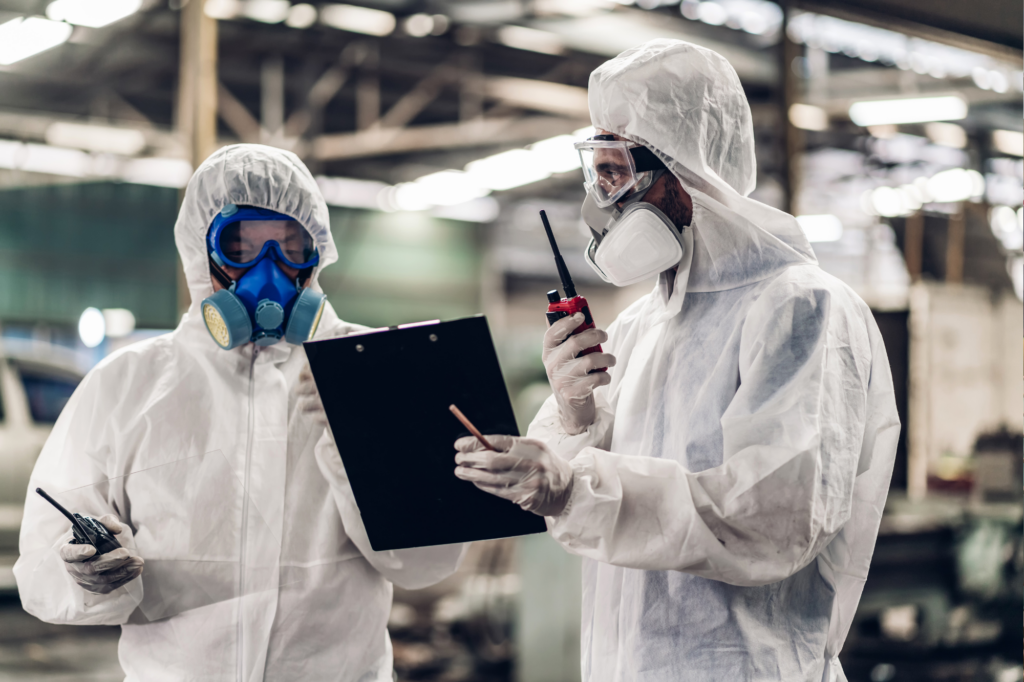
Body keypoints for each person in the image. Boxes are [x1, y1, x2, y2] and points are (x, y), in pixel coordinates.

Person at [454, 39, 900, 682]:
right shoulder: (641, 325)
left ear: (684, 172)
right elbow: (590, 472)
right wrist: (575, 418)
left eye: (613, 174)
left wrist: (573, 487)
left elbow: (772, 516)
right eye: (594, 172)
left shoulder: (801, 308)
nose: (597, 202)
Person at [16, 144, 466, 681]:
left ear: (316, 254)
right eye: (242, 248)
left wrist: (361, 442)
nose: (268, 272)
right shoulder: (126, 387)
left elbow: (426, 564)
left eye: (289, 248)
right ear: (200, 256)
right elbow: (43, 561)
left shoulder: (371, 369)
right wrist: (86, 578)